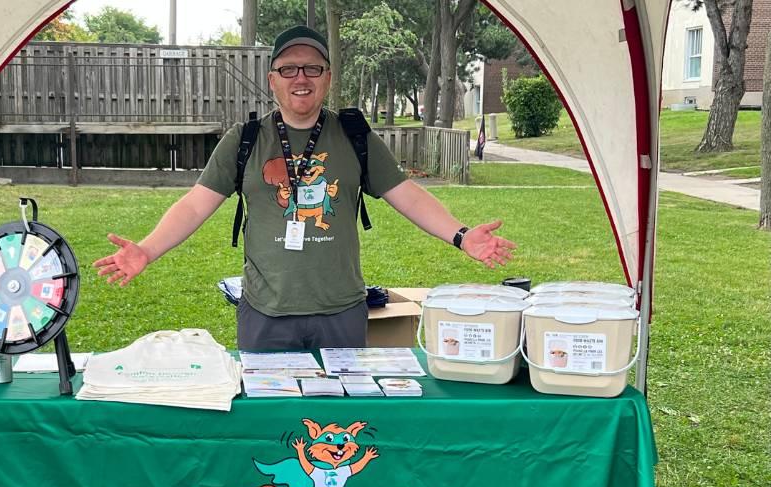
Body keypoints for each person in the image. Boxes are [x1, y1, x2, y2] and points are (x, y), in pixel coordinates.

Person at [94, 25, 516, 351]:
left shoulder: (353, 136)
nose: (301, 77)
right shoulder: (244, 139)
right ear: (272, 78)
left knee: (341, 426)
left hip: (342, 313)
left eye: (312, 68)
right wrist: (147, 250)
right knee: (269, 428)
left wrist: (461, 236)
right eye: (288, 68)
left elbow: (406, 194)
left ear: (328, 77)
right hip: (265, 314)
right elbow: (194, 205)